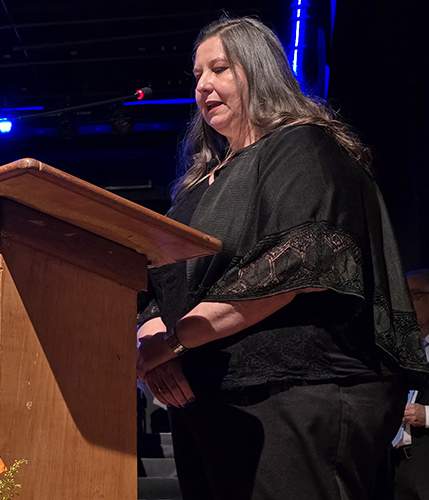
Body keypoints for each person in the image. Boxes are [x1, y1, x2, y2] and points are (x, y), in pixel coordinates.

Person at [135, 16, 429, 500]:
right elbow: (158, 288)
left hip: (296, 393)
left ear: (260, 71)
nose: (202, 85)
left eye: (219, 69)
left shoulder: (303, 147)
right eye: (198, 74)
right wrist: (152, 348)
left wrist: (173, 342)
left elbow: (295, 264)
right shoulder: (193, 189)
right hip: (205, 403)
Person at [392, 269, 429, 499]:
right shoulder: (399, 351)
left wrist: (427, 415)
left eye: (413, 296)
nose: (406, 304)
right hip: (397, 467)